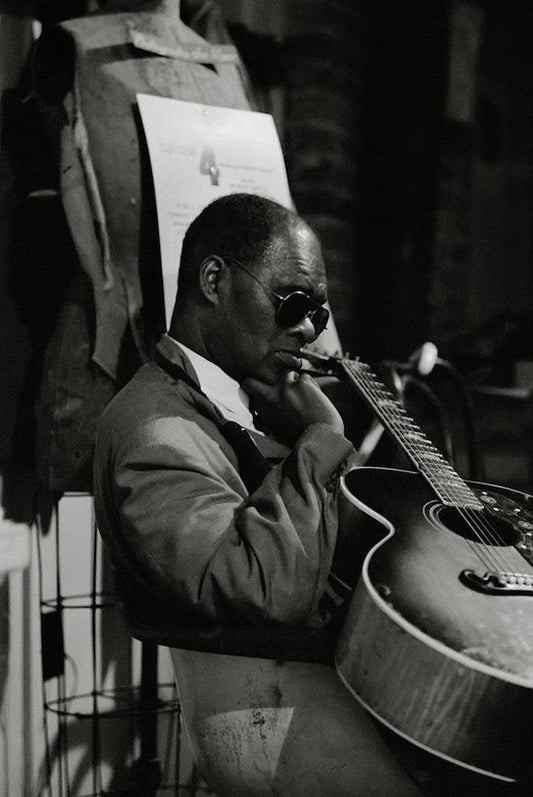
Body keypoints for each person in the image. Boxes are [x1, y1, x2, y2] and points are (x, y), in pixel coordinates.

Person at [93, 193, 424, 795]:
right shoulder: (155, 430)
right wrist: (322, 438)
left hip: (352, 684)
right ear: (214, 280)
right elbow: (262, 591)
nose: (306, 330)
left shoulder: (243, 405)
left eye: (318, 317)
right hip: (285, 709)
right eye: (293, 303)